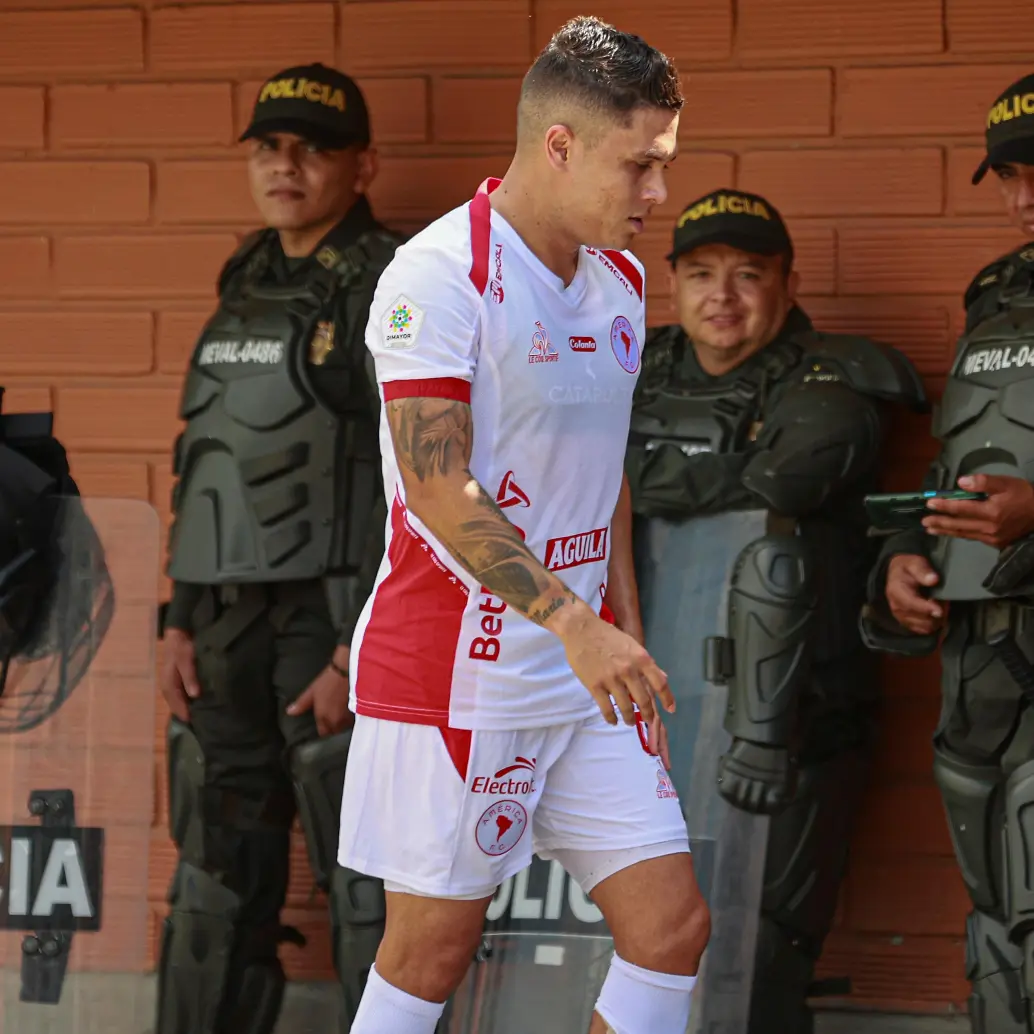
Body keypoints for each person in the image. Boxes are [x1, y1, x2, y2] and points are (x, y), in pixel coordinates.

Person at [335, 16, 711, 1034]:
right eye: (638, 166)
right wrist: (572, 621)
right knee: (429, 951)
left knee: (670, 927)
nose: (655, 196)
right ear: (559, 144)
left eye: (663, 166)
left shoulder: (622, 282)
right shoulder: (435, 275)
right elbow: (437, 485)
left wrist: (617, 625)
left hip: (581, 671)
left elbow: (603, 473)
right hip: (458, 670)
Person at [625, 189, 927, 1032]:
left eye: (747, 275)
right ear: (673, 286)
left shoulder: (835, 371)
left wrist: (626, 478)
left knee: (750, 954)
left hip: (783, 719)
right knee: (625, 944)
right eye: (701, 274)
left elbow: (783, 481)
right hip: (639, 702)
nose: (722, 296)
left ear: (788, 285)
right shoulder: (629, 366)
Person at [155, 62, 404, 1034]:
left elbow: (414, 472)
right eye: (268, 146)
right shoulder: (246, 272)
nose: (285, 164)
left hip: (328, 615)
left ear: (363, 164)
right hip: (221, 621)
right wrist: (175, 617)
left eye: (312, 147)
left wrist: (360, 646)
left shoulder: (390, 280)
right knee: (217, 873)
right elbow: (208, 453)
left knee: (364, 882)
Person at [861, 72, 1034, 1031]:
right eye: (1009, 176)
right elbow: (958, 463)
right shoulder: (1000, 292)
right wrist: (904, 558)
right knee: (997, 925)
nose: (1024, 200)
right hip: (983, 667)